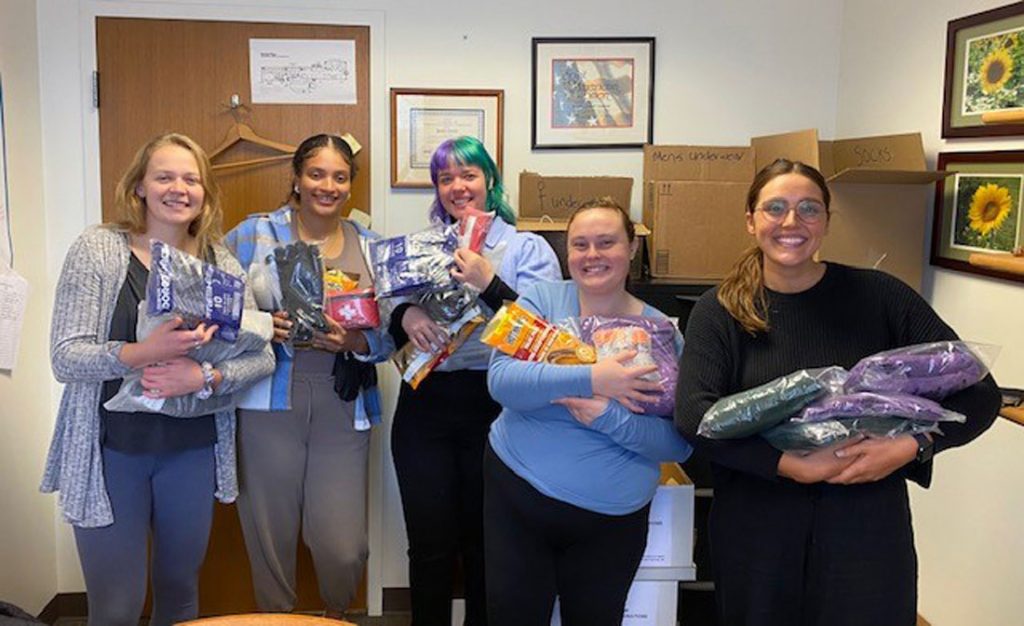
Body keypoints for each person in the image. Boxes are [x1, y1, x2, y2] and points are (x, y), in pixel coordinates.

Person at [674, 158, 1002, 626]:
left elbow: (981, 395)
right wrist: (794, 467)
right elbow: (693, 417)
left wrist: (911, 447)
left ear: (827, 221)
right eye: (776, 208)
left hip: (865, 530)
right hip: (757, 531)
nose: (792, 222)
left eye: (809, 209)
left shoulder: (880, 296)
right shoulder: (720, 310)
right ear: (751, 221)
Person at [41, 132, 275, 626]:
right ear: (140, 187)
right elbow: (66, 357)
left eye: (191, 179)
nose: (179, 188)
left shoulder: (220, 261)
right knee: (118, 607)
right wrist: (144, 352)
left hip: (191, 453)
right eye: (164, 176)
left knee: (180, 596)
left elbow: (263, 359)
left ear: (205, 192)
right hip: (111, 454)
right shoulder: (100, 250)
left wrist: (205, 376)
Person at [484, 199, 693, 626]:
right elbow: (502, 381)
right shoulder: (541, 300)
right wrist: (592, 377)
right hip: (518, 497)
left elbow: (679, 443)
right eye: (580, 244)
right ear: (567, 252)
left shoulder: (662, 332)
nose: (592, 255)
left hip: (611, 520)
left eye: (606, 242)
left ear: (632, 248)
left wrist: (607, 416)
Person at [387, 136, 561, 626]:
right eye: (446, 178)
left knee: (489, 544)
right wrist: (404, 312)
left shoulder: (529, 248)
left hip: (497, 404)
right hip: (425, 402)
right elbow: (384, 311)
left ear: (490, 180)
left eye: (469, 175)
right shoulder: (418, 247)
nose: (458, 186)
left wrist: (491, 284)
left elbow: (543, 337)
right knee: (429, 544)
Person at [224, 133, 392, 618]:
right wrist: (260, 326)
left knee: (345, 548)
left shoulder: (373, 245)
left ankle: (335, 618)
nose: (328, 185)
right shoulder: (251, 234)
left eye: (340, 176)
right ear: (296, 178)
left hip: (343, 401)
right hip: (268, 400)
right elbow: (216, 310)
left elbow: (394, 332)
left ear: (350, 185)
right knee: (269, 539)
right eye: (316, 173)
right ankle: (277, 619)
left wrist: (358, 343)